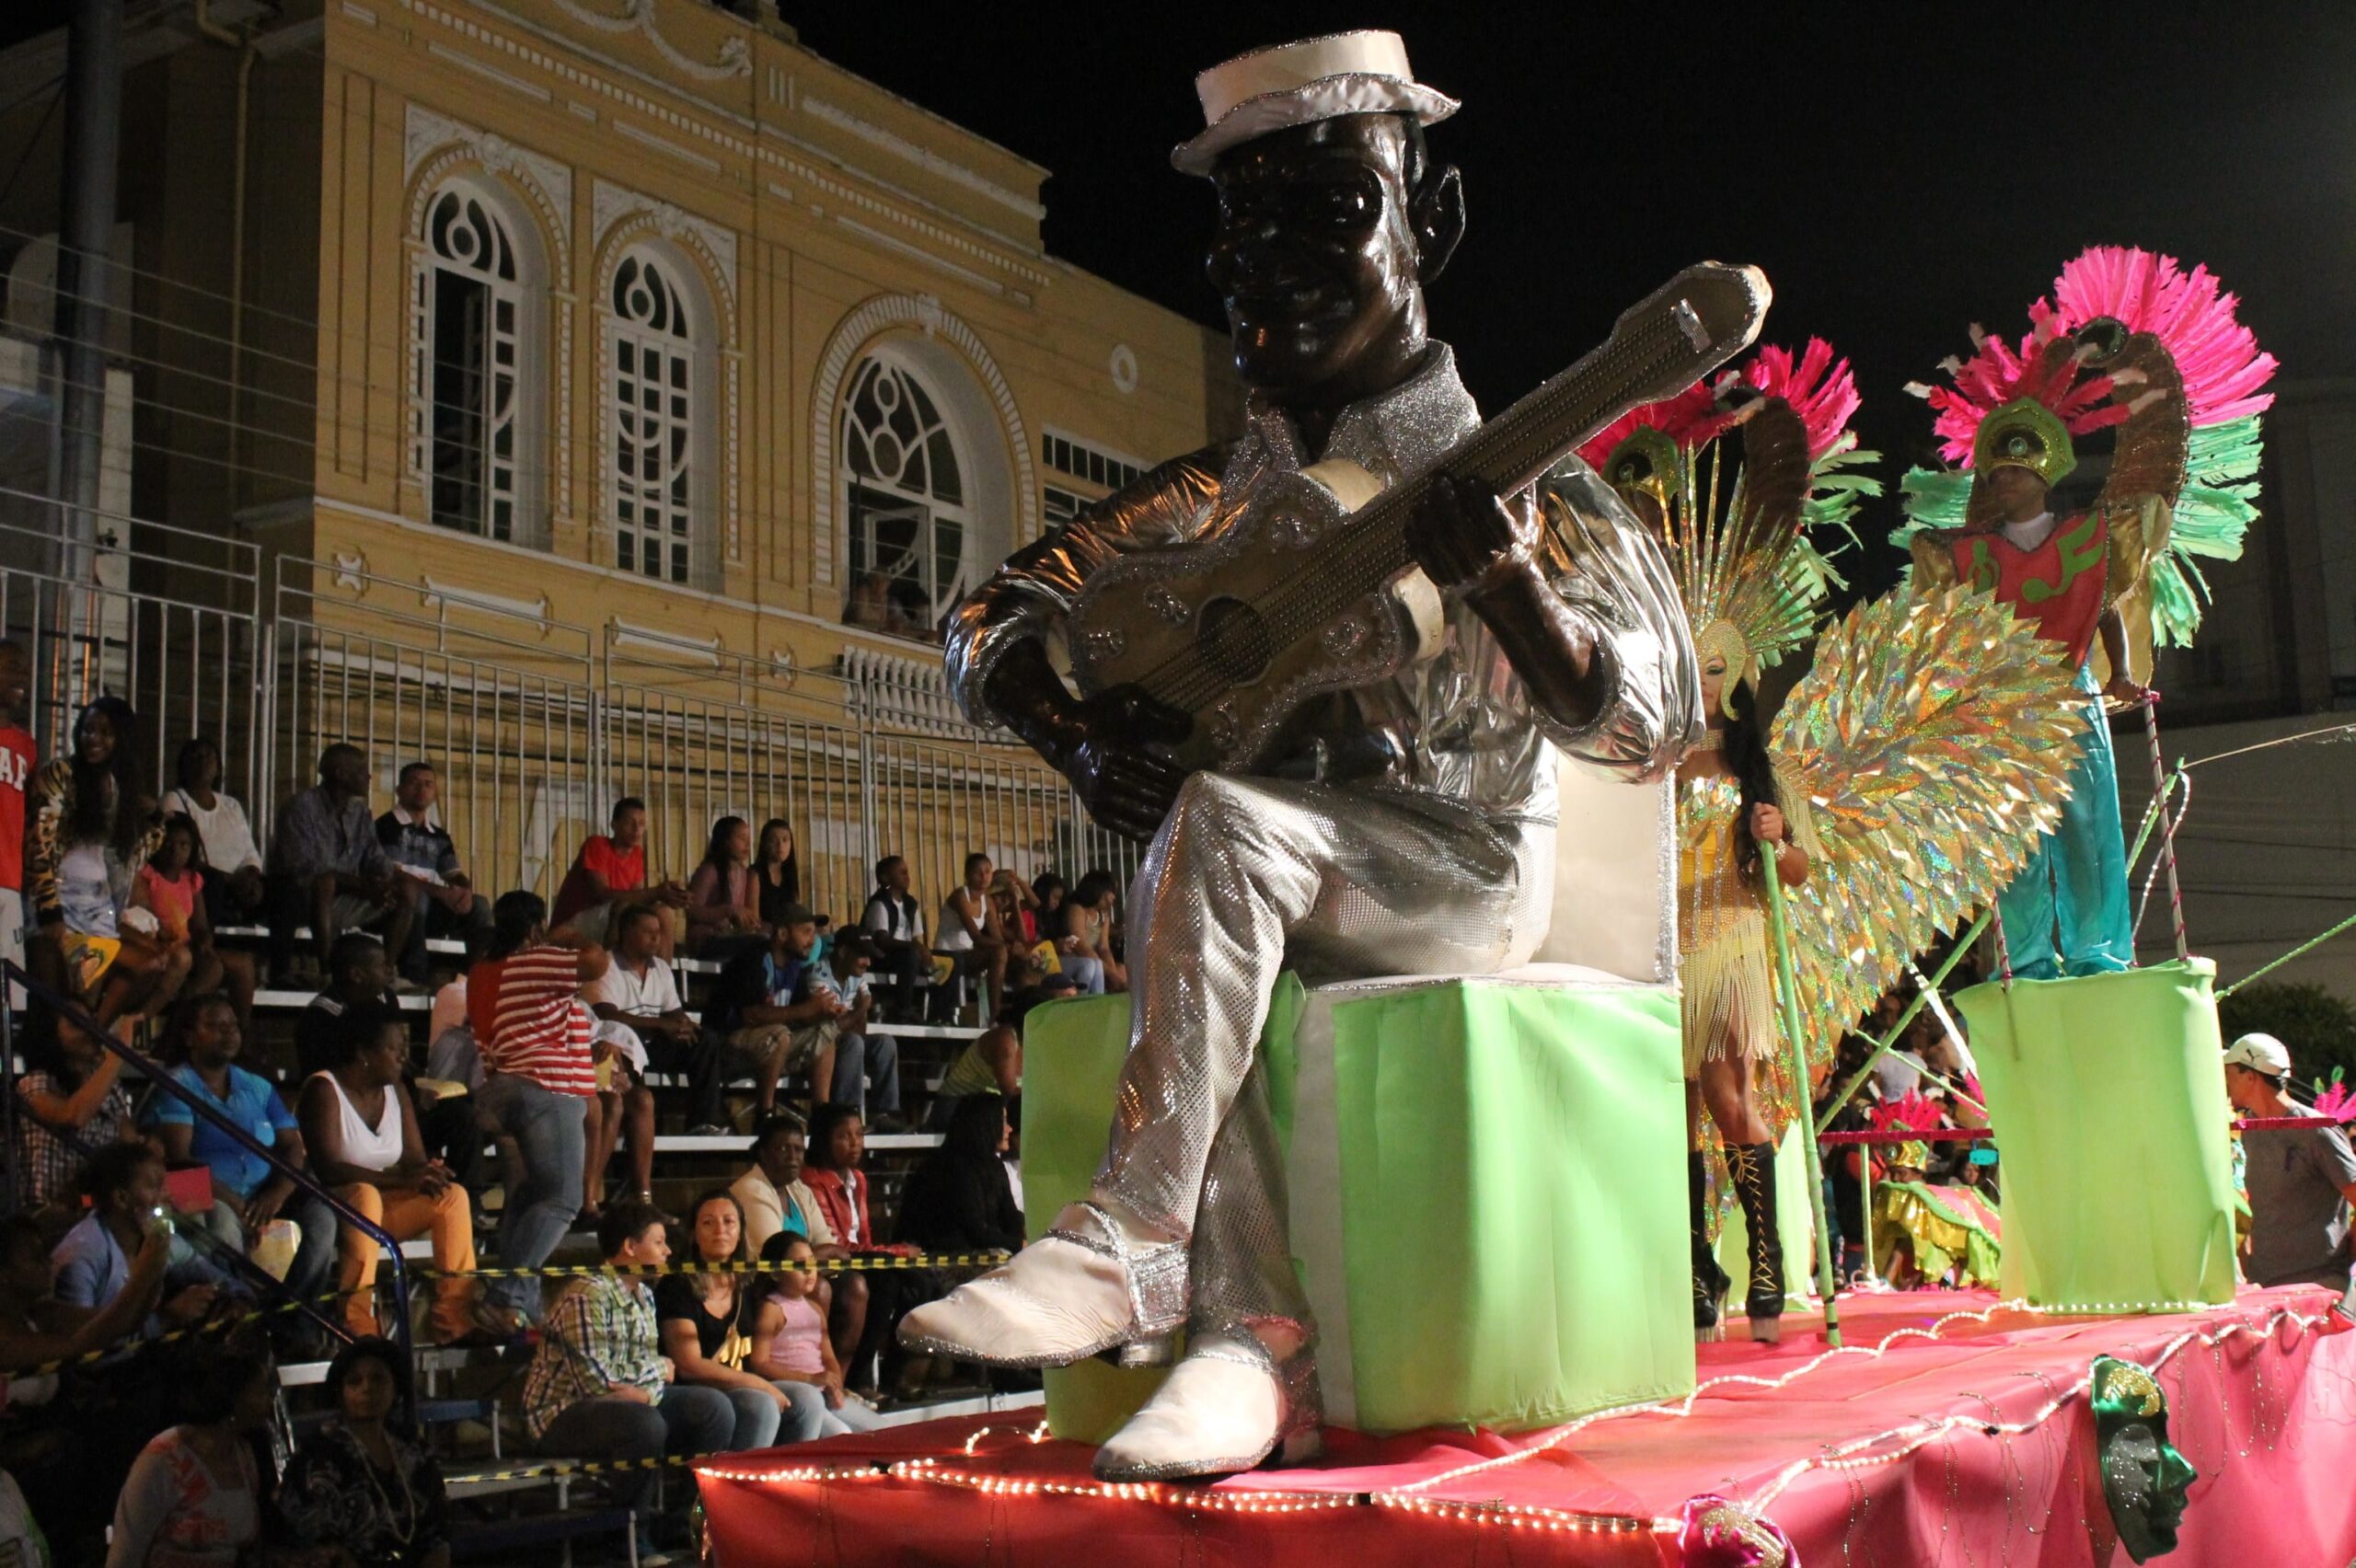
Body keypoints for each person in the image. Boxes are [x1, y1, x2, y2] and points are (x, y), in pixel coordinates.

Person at [907, 29, 1695, 1481]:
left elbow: (1656, 716)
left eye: (1329, 210)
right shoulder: (1206, 503)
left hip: (1460, 869)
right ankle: (1243, 1345)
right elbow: (984, 614)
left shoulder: (1529, 473)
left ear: (1431, 222)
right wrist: (1076, 736)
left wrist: (1513, 590)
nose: (1269, 262)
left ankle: (1138, 1251)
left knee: (1216, 832)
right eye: (1240, 225)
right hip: (1260, 877)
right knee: (1210, 847)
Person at [1901, 249, 2274, 980]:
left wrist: (2126, 677)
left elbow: (2099, 610)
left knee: (2087, 828)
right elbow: (1951, 636)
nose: (2004, 481)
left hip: (2073, 696)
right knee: (2016, 838)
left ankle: (2101, 952)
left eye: (2015, 471)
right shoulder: (1969, 555)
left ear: (2043, 474)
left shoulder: (2084, 538)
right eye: (1996, 471)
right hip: (2008, 709)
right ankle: (2032, 957)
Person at [521, 1201, 762, 1531]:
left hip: (632, 1400)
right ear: (630, 1247)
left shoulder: (645, 1296)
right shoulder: (586, 1295)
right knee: (645, 1424)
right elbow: (598, 1384)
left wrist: (648, 1388)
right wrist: (653, 1378)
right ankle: (629, 1530)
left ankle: (683, 1520)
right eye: (659, 1242)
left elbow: (662, 1370)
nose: (667, 1252)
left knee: (713, 1408)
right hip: (562, 1413)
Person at [298, 1006, 506, 1343]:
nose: (403, 1057)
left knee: (453, 1195)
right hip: (336, 1210)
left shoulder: (395, 1091)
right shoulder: (324, 1089)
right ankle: (356, 1319)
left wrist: (428, 1172)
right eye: (394, 1049)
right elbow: (329, 1168)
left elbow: (412, 1159)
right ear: (364, 1053)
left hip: (383, 1207)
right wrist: (401, 1180)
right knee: (364, 1194)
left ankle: (453, 1317)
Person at [146, 993, 337, 1312]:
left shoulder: (258, 1086)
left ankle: (294, 1318)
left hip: (259, 1194)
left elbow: (291, 1145)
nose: (228, 1032)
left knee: (323, 1217)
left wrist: (276, 1194)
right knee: (221, 1220)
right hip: (198, 1188)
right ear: (189, 1036)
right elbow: (179, 1162)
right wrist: (237, 1204)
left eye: (233, 1025)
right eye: (215, 1026)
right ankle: (237, 1311)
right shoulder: (177, 1084)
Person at [470, 892, 607, 1321]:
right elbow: (597, 962)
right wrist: (567, 936)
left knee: (530, 1199)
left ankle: (521, 1305)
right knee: (563, 1200)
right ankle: (506, 1295)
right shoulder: (533, 959)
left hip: (509, 1084)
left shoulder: (491, 971)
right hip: (547, 1089)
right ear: (534, 930)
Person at [29, 697, 183, 1030]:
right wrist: (48, 910)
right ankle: (87, 1035)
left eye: (105, 732)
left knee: (154, 964)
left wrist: (156, 819)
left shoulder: (117, 786)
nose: (93, 739)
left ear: (122, 739)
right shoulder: (62, 773)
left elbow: (131, 853)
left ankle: (92, 1031)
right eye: (88, 730)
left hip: (100, 903)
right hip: (63, 899)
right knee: (105, 971)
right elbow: (39, 842)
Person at [653, 1191, 815, 1450]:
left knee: (808, 1399)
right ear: (693, 1234)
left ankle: (787, 1483)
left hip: (745, 1383)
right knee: (761, 1403)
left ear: (741, 1231)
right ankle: (741, 1485)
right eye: (708, 1222)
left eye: (729, 1222)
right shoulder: (677, 1286)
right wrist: (760, 1384)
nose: (720, 1230)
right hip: (701, 1389)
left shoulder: (748, 1281)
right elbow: (689, 1365)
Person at [276, 1337, 450, 1568]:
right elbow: (317, 1545)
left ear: (395, 1387)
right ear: (340, 1393)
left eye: (378, 1379)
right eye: (354, 1381)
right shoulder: (318, 1457)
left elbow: (436, 1529)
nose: (367, 1388)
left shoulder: (412, 1450)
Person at [105, 1336, 277, 1568]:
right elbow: (126, 1555)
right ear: (233, 1401)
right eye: (260, 1392)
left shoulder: (243, 1455)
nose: (269, 1400)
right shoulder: (163, 1460)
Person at [52, 1142, 233, 1337]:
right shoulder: (82, 1254)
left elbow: (221, 1278)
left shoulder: (161, 1238)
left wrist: (236, 1299)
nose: (168, 1196)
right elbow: (81, 1339)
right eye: (155, 1187)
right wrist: (166, 1318)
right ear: (121, 1198)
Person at [270, 743, 413, 981]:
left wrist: (383, 883)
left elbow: (376, 858)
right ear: (340, 774)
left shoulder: (360, 813)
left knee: (408, 890)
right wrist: (363, 886)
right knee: (325, 882)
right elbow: (303, 868)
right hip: (303, 899)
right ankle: (328, 970)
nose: (368, 776)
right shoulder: (301, 807)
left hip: (348, 896)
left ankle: (386, 969)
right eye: (361, 771)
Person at [2223, 1032, 2356, 1290]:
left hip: (2320, 1287)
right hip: (2266, 1287)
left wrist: (2347, 1258)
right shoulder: (2249, 1130)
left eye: (2230, 1074)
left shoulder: (2316, 1130)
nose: (2226, 1082)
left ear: (2251, 1076)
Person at [699, 906, 846, 1135]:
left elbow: (800, 1014)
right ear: (783, 934)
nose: (812, 940)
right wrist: (807, 1009)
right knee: (778, 1033)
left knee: (825, 1031)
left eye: (814, 933)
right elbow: (751, 1016)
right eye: (806, 932)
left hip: (770, 1049)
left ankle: (821, 1116)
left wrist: (823, 1012)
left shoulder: (795, 966)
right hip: (727, 1049)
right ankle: (764, 1114)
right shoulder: (753, 959)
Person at [585, 904, 695, 1208]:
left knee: (644, 1098)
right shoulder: (602, 969)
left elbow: (673, 1013)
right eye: (648, 933)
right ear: (625, 933)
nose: (656, 940)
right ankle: (588, 1200)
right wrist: (661, 1025)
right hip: (593, 1070)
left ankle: (643, 1197)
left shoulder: (659, 968)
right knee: (610, 1103)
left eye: (659, 934)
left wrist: (683, 1025)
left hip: (628, 1058)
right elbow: (607, 1020)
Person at [802, 1102, 915, 1380]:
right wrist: (897, 1251)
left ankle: (893, 1379)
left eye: (859, 1135)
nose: (855, 1144)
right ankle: (856, 1377)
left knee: (918, 1283)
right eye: (843, 1136)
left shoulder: (859, 1179)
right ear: (824, 1139)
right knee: (884, 1283)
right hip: (835, 1262)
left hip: (861, 1257)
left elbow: (864, 1237)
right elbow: (838, 1245)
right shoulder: (812, 1180)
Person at [749, 1233, 886, 1435]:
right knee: (841, 1435)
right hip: (798, 1394)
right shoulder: (772, 1309)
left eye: (812, 1262)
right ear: (776, 1273)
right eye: (799, 1264)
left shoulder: (815, 1309)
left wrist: (835, 1384)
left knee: (883, 1431)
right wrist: (809, 1379)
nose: (809, 1270)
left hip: (824, 1393)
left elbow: (828, 1357)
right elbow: (759, 1363)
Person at [131, 817, 255, 1040]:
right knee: (211, 968)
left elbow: (200, 925)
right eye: (169, 844)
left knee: (233, 965)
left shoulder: (192, 880)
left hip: (187, 944)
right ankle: (172, 1032)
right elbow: (143, 917)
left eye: (183, 845)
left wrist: (204, 941)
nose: (175, 851)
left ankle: (239, 1037)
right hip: (158, 943)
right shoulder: (148, 875)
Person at [375, 763, 493, 984]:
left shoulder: (438, 835)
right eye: (414, 783)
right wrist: (440, 892)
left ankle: (481, 976)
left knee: (479, 905)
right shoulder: (385, 826)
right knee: (416, 898)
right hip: (394, 905)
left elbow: (453, 873)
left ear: (435, 792)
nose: (422, 789)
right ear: (399, 790)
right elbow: (392, 874)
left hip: (431, 906)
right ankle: (415, 975)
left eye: (428, 784)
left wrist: (464, 890)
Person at [13, 1009, 138, 1216]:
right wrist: (117, 1055)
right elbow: (71, 1117)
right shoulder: (35, 1083)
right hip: (49, 1211)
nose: (89, 1030)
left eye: (91, 1022)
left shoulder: (108, 1085)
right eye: (76, 1024)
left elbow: (128, 1141)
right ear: (50, 1034)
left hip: (97, 1207)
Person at [552, 797, 688, 950]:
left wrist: (669, 896)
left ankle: (663, 972)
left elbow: (638, 895)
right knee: (622, 908)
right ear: (614, 825)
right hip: (573, 922)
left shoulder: (637, 854)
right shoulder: (597, 844)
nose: (637, 829)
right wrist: (657, 892)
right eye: (630, 823)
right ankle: (613, 969)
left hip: (606, 917)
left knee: (665, 913)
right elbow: (602, 893)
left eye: (642, 824)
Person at [896, 1093, 1022, 1258]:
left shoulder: (994, 1165)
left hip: (980, 1254)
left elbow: (1010, 1216)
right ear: (987, 1124)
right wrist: (1020, 1245)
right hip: (940, 1259)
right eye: (1004, 1121)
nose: (1009, 1129)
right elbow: (975, 1232)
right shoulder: (955, 1168)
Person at [162, 737, 268, 933]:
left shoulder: (231, 805)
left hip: (239, 885)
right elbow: (184, 856)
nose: (202, 760)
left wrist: (251, 877)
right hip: (208, 883)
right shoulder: (174, 800)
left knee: (284, 889)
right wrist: (231, 880)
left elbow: (250, 854)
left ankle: (280, 961)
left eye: (208, 755)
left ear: (218, 767)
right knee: (212, 881)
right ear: (183, 766)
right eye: (195, 755)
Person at [811, 933, 899, 1128]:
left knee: (886, 1042)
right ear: (843, 952)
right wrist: (860, 1009)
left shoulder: (857, 977)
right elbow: (829, 1029)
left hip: (844, 1039)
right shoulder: (819, 975)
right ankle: (845, 1115)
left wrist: (854, 1016)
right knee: (853, 1042)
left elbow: (860, 1028)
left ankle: (883, 1114)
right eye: (863, 956)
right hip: (819, 1046)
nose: (868, 963)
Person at [729, 1113, 836, 1258]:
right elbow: (777, 1258)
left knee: (852, 1277)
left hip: (804, 1275)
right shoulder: (750, 1189)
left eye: (798, 1149)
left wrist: (814, 1257)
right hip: (766, 1278)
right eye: (783, 1149)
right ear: (763, 1153)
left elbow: (829, 1245)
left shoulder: (800, 1189)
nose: (792, 1157)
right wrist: (818, 1256)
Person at [934, 853, 1009, 1024]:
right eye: (978, 872)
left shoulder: (988, 901)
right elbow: (977, 938)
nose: (984, 876)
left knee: (1003, 952)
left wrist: (1010, 947)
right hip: (947, 955)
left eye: (988, 871)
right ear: (967, 875)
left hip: (967, 955)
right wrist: (1006, 946)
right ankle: (995, 1014)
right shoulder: (960, 896)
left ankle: (999, 1013)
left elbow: (997, 936)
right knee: (1000, 951)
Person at [0, 644, 32, 1008]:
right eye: (10, 667)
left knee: (11, 995)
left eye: (23, 670)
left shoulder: (27, 745)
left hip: (10, 880)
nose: (20, 677)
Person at [683, 816, 764, 960]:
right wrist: (727, 911)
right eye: (741, 838)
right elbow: (692, 910)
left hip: (730, 937)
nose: (747, 844)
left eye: (748, 838)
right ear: (725, 841)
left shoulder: (744, 874)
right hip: (705, 940)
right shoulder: (709, 871)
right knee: (758, 943)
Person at [858, 856, 928, 1020]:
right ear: (885, 878)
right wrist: (913, 947)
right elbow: (881, 940)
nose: (907, 876)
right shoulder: (879, 903)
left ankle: (940, 1011)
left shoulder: (910, 904)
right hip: (883, 958)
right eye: (901, 872)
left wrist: (923, 951)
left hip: (906, 956)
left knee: (952, 960)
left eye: (907, 872)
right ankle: (903, 1009)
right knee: (911, 956)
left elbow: (916, 938)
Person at [1060, 870, 1123, 995]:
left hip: (1094, 959)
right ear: (1099, 890)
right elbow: (1081, 946)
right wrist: (1111, 974)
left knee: (1121, 970)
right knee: (1094, 965)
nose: (1113, 897)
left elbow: (1104, 948)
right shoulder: (1077, 909)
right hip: (1074, 958)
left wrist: (1113, 972)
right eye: (1111, 892)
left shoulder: (1103, 915)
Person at [752, 820, 802, 931]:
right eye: (773, 840)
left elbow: (795, 914)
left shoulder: (789, 875)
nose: (780, 845)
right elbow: (753, 921)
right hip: (764, 935)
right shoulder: (755, 874)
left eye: (785, 840)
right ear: (764, 844)